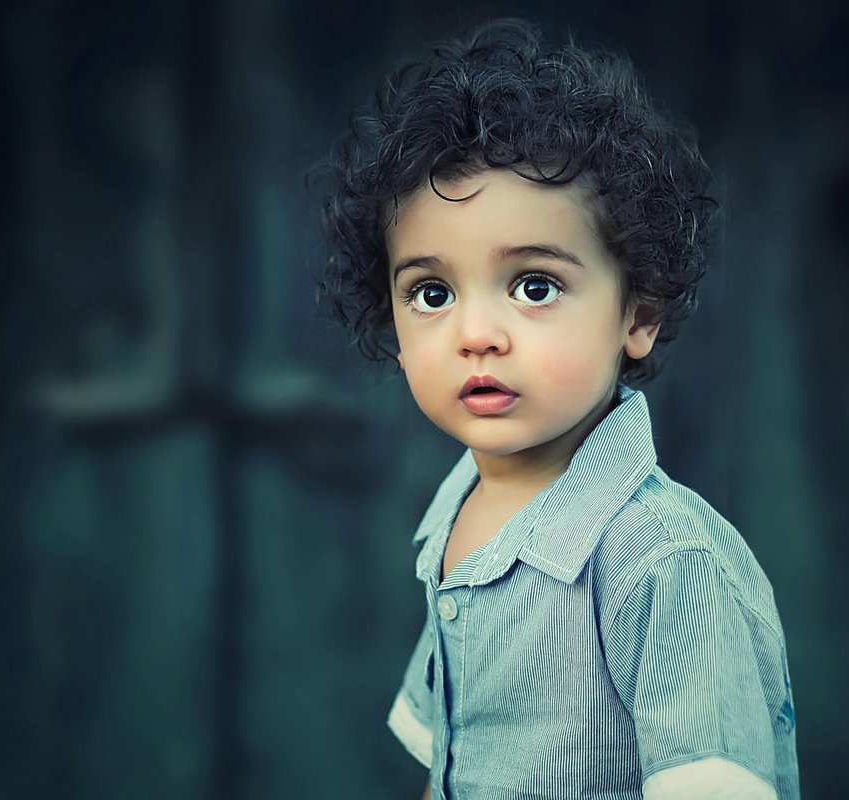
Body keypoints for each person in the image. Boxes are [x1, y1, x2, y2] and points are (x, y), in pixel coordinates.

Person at [315, 18, 800, 800]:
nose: (476, 335)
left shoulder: (664, 561)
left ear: (635, 314)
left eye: (534, 286)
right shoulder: (457, 512)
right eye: (431, 293)